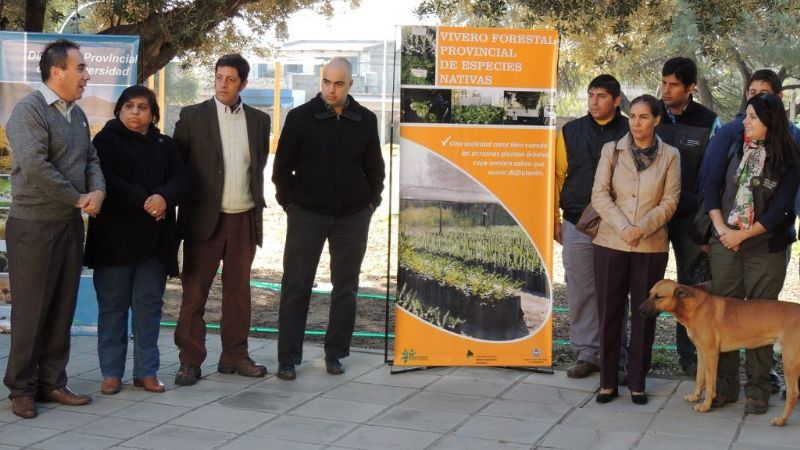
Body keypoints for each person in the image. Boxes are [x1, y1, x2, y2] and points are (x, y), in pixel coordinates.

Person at [3, 39, 106, 418]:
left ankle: (51, 382)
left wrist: (97, 190)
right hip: (33, 226)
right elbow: (34, 165)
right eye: (80, 68)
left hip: (68, 226)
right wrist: (78, 199)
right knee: (31, 311)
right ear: (56, 71)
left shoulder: (75, 115)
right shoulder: (29, 111)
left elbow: (91, 157)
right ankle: (21, 389)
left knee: (63, 307)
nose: (86, 75)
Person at [272, 57, 385, 380]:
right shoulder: (300, 118)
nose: (331, 89)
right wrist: (291, 205)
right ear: (320, 82)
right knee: (296, 286)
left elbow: (375, 168)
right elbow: (281, 170)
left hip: (352, 218)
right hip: (306, 215)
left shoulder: (365, 120)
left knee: (346, 288)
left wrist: (370, 204)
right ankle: (288, 358)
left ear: (351, 85)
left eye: (338, 83)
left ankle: (335, 354)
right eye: (326, 82)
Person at [699, 69, 800, 396]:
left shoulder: (789, 154)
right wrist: (721, 229)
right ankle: (724, 389)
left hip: (766, 248)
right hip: (724, 242)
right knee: (724, 319)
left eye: (753, 117)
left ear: (770, 120)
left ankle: (758, 390)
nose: (745, 120)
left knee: (762, 319)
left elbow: (782, 209)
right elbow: (709, 185)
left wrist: (742, 235)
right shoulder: (730, 142)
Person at [84, 86, 190, 395]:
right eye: (129, 106)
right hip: (113, 242)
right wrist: (145, 199)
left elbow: (183, 180)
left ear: (153, 114)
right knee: (113, 308)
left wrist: (164, 196)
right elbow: (104, 179)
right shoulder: (104, 141)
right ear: (118, 110)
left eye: (143, 107)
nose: (135, 112)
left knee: (148, 308)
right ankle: (111, 373)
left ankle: (147, 371)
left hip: (153, 245)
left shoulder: (165, 145)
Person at [172, 54, 271, 386]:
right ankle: (189, 360)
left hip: (244, 219)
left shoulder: (259, 121)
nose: (223, 84)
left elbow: (255, 168)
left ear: (243, 83)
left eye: (231, 79)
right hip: (204, 220)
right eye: (219, 77)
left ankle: (235, 355)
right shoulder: (192, 117)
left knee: (238, 294)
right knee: (194, 293)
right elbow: (177, 169)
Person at [591, 95, 681, 405]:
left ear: (657, 120)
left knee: (645, 314)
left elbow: (670, 201)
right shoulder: (611, 150)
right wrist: (624, 227)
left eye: (644, 117)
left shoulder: (671, 155)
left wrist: (640, 228)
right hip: (610, 242)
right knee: (609, 311)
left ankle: (638, 382)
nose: (637, 123)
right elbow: (600, 195)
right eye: (633, 117)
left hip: (651, 245)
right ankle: (607, 382)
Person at [554, 74, 629, 380]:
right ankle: (588, 355)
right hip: (576, 222)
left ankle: (619, 358)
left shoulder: (630, 129)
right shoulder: (571, 130)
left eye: (601, 96)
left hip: (619, 225)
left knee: (615, 291)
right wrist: (553, 221)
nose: (594, 102)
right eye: (591, 96)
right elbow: (558, 176)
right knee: (581, 290)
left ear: (616, 100)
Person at [656, 57, 721, 377]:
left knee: (690, 289)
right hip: (652, 218)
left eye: (674, 85)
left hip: (690, 222)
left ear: (691, 88)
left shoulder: (710, 122)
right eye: (663, 83)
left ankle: (690, 356)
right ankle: (635, 356)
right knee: (645, 287)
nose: (666, 90)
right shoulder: (651, 114)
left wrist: (704, 223)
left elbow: (715, 175)